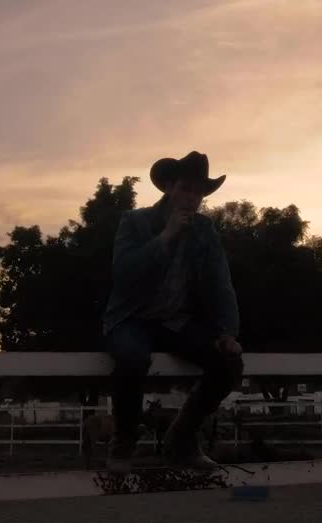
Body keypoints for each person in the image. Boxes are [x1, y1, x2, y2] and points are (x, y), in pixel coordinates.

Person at [101, 151, 244, 474]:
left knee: (228, 363)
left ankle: (181, 438)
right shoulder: (135, 221)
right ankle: (123, 443)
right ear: (169, 187)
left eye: (198, 192)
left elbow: (221, 282)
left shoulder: (205, 230)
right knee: (132, 357)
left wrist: (227, 332)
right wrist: (164, 237)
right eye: (186, 189)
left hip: (177, 320)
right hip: (132, 317)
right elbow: (123, 273)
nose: (192, 198)